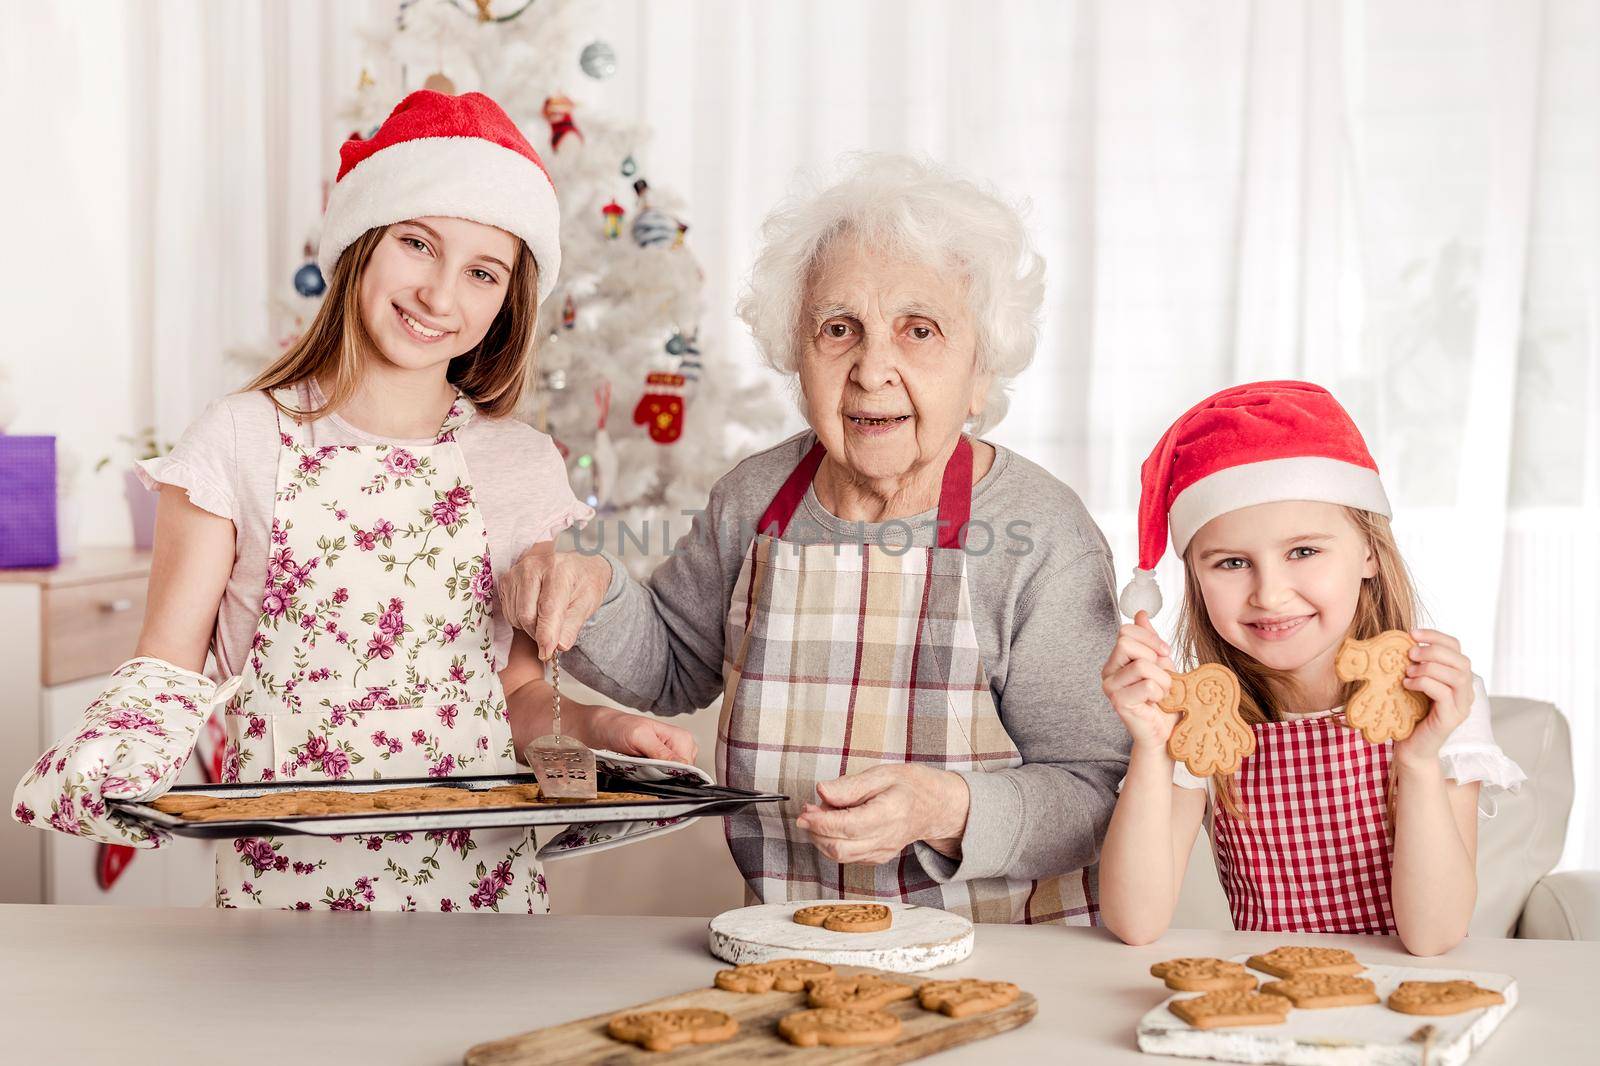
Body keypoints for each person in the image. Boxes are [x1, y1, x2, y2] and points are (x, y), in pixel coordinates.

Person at [12, 90, 694, 912]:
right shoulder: (237, 440)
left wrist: (605, 734)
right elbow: (167, 670)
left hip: (483, 888)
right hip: (286, 890)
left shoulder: (520, 466)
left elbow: (515, 701)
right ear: (363, 244)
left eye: (482, 272)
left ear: (508, 301)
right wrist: (103, 778)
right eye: (418, 244)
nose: (441, 296)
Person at [498, 155, 1128, 924]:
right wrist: (594, 589)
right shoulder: (756, 498)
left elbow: (1097, 790)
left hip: (1003, 955)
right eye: (840, 329)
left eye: (919, 330)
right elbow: (672, 666)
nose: (872, 370)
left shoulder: (1042, 535)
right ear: (797, 354)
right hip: (791, 942)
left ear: (980, 371)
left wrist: (947, 807)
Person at [1097, 380, 1524, 953]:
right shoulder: (1202, 719)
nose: (1270, 595)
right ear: (1195, 579)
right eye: (1231, 562)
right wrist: (1151, 749)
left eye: (1303, 551)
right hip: (1270, 996)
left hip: (1401, 998)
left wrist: (1419, 761)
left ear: (1369, 551)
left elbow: (1435, 936)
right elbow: (1135, 922)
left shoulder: (1433, 696)